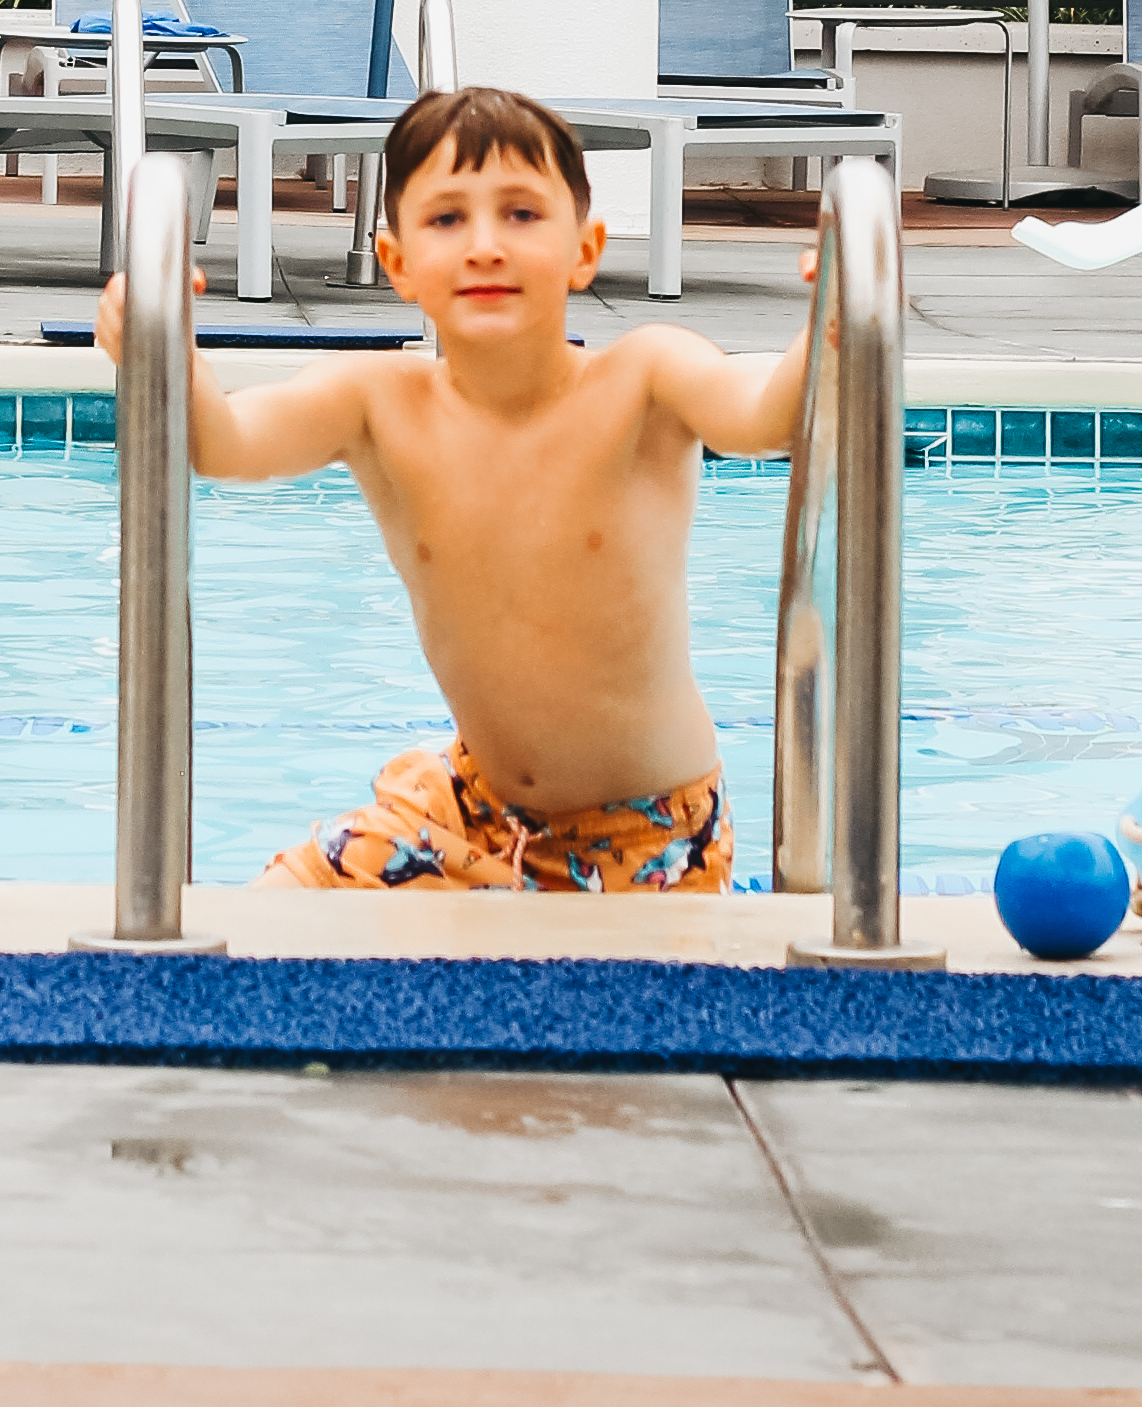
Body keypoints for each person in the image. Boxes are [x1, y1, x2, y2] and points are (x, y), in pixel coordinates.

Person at [92, 76, 808, 894]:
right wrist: (162, 348)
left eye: (522, 213)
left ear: (585, 249)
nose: (484, 245)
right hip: (467, 808)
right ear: (397, 263)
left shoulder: (644, 379)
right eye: (446, 219)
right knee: (275, 914)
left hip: (645, 831)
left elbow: (761, 418)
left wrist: (836, 324)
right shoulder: (376, 404)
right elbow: (224, 445)